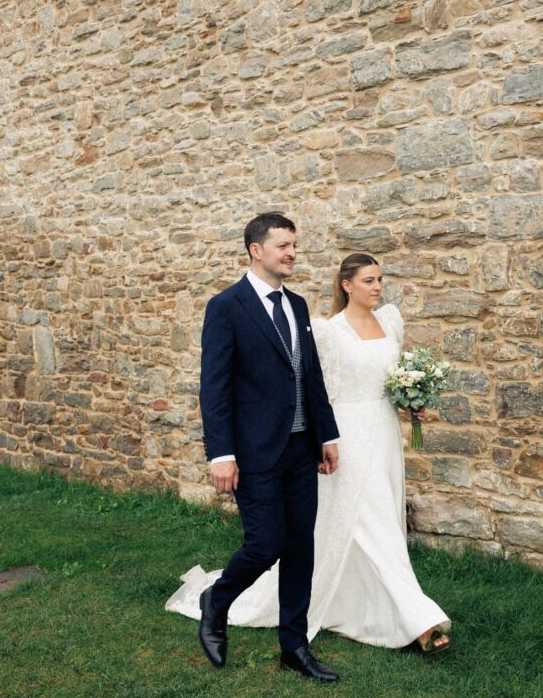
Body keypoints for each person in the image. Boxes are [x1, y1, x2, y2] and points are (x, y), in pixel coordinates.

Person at [167, 252, 451, 655]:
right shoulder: (326, 330)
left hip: (382, 434)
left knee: (378, 523)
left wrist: (411, 402)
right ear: (346, 285)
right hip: (346, 437)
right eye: (368, 280)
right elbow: (321, 389)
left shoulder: (387, 320)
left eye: (380, 279)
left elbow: (364, 383)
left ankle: (312, 635)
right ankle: (418, 619)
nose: (377, 286)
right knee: (367, 527)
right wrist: (321, 439)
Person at [191, 212, 341, 684]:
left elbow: (310, 375)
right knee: (265, 544)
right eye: (284, 246)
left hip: (301, 449)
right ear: (257, 250)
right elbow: (214, 387)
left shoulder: (296, 305)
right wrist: (221, 453)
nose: (293, 253)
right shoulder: (227, 307)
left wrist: (327, 435)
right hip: (254, 451)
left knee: (301, 550)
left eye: (294, 245)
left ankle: (294, 647)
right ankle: (217, 599)